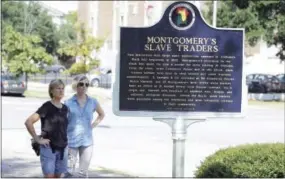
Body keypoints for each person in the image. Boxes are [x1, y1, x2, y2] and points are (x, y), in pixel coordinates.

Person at [24, 79, 69, 178]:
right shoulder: (47, 106)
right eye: (58, 88)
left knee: (58, 176)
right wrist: (37, 139)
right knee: (49, 177)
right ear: (51, 91)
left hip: (63, 148)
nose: (61, 91)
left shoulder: (65, 108)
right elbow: (28, 122)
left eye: (62, 88)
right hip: (48, 148)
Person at [65, 75, 105, 177]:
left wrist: (92, 125)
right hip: (71, 141)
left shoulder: (93, 101)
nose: (84, 87)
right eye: (81, 84)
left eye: (87, 84)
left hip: (87, 142)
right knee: (69, 172)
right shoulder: (68, 103)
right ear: (75, 85)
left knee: (83, 173)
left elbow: (101, 114)